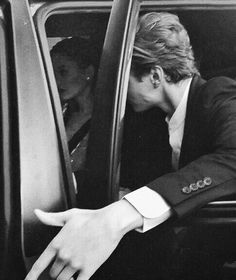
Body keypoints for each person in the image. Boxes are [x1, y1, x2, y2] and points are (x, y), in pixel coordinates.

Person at [25, 12, 236, 280]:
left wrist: (123, 214)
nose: (119, 91)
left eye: (123, 80)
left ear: (155, 76)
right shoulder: (151, 120)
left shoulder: (218, 94)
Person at [50, 37, 100, 171]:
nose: (56, 80)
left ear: (88, 73)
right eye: (52, 72)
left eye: (63, 72)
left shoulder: (104, 120)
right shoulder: (58, 111)